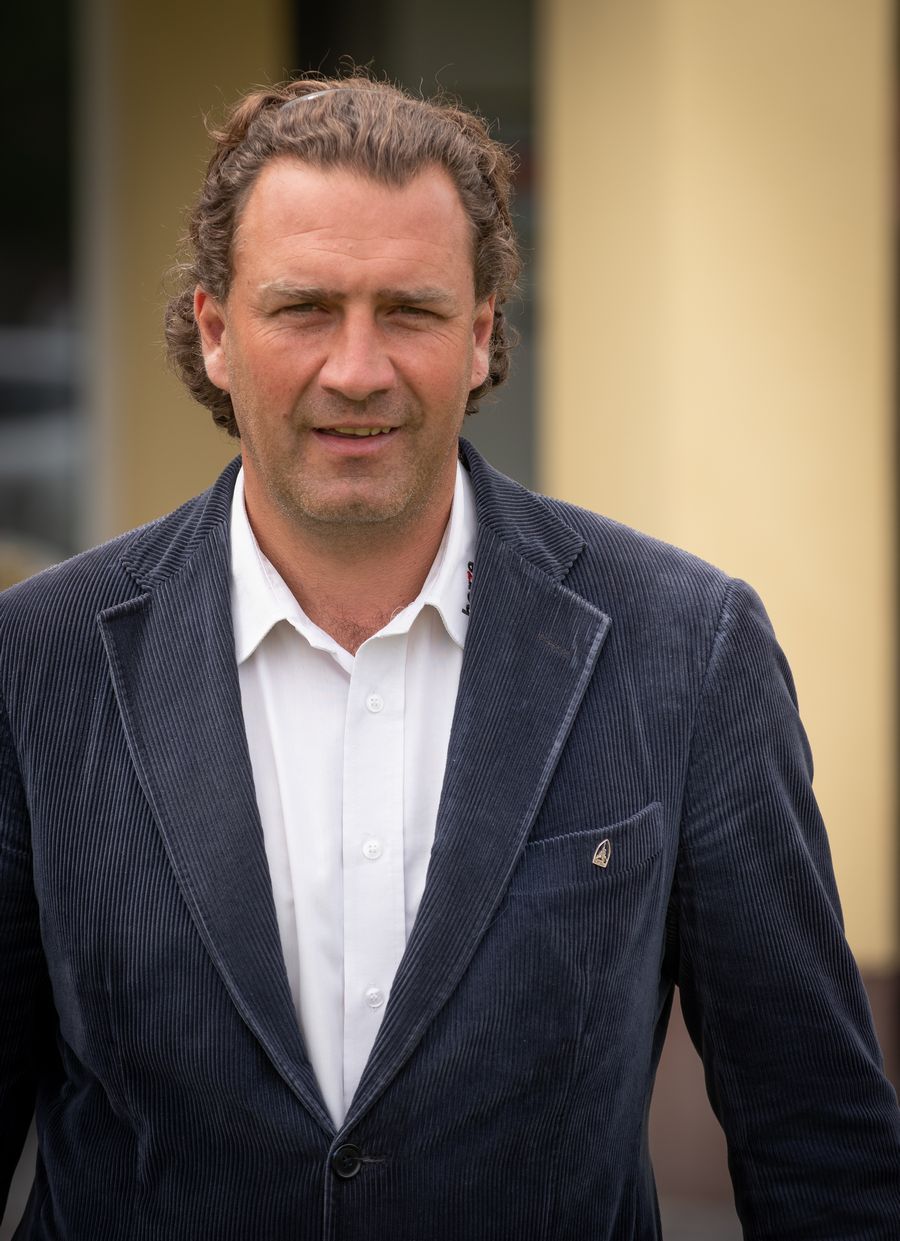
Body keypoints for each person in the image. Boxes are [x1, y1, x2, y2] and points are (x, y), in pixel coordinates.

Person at [1, 74, 898, 1241]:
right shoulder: (39, 663)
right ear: (216, 333)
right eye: (305, 308)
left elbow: (822, 1149)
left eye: (411, 311)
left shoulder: (685, 648)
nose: (358, 368)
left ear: (479, 336)